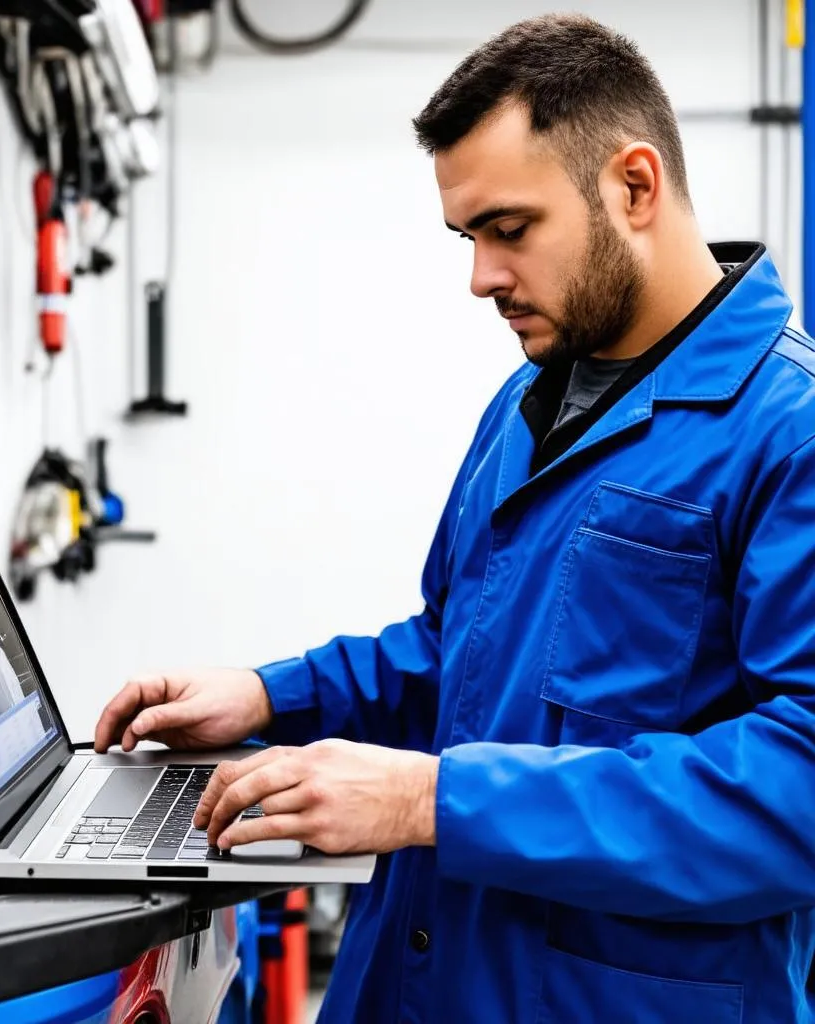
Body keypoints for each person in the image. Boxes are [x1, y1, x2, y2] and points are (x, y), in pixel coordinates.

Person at [95, 14, 815, 1023]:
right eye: (467, 235)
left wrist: (432, 800)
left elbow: (799, 788)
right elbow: (454, 652)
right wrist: (266, 696)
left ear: (635, 186)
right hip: (418, 973)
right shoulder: (529, 407)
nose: (479, 275)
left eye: (508, 230)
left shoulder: (789, 430)